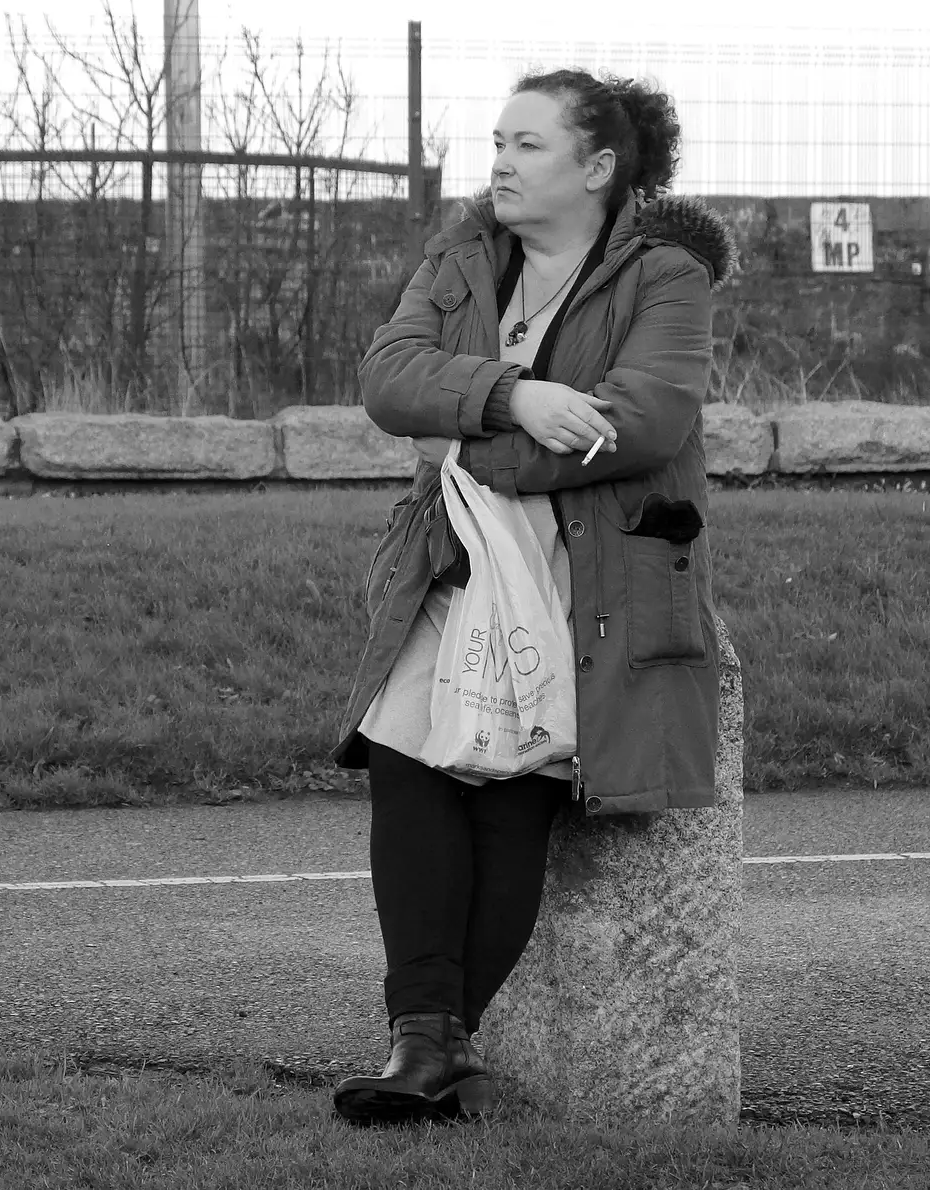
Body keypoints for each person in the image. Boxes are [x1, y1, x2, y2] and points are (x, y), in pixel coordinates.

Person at [327, 69, 738, 1125]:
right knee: (405, 760)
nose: (500, 161)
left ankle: (434, 1043)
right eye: (497, 140)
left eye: (528, 144)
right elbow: (387, 377)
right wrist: (517, 396)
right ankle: (423, 1036)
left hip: (587, 574)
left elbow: (638, 425)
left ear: (596, 167)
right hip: (452, 563)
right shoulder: (462, 254)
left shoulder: (667, 277)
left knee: (510, 790)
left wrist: (465, 441)